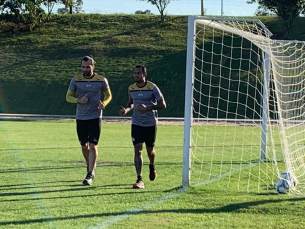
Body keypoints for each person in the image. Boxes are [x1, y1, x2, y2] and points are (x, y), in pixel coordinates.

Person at [66, 56, 112, 185]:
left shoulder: (101, 80)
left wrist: (104, 103)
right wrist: (78, 100)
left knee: (93, 145)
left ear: (93, 66)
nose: (85, 69)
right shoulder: (75, 80)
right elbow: (68, 97)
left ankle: (90, 173)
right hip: (81, 117)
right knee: (84, 145)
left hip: (95, 116)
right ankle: (89, 165)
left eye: (87, 67)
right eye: (83, 67)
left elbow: (108, 95)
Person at [119, 65, 166, 189]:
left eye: (138, 73)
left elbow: (163, 105)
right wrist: (126, 110)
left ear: (144, 74)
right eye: (134, 73)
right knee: (137, 149)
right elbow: (131, 103)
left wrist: (148, 108)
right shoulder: (131, 88)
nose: (136, 75)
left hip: (150, 123)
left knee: (150, 151)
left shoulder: (152, 87)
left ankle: (152, 165)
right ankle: (139, 178)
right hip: (136, 123)